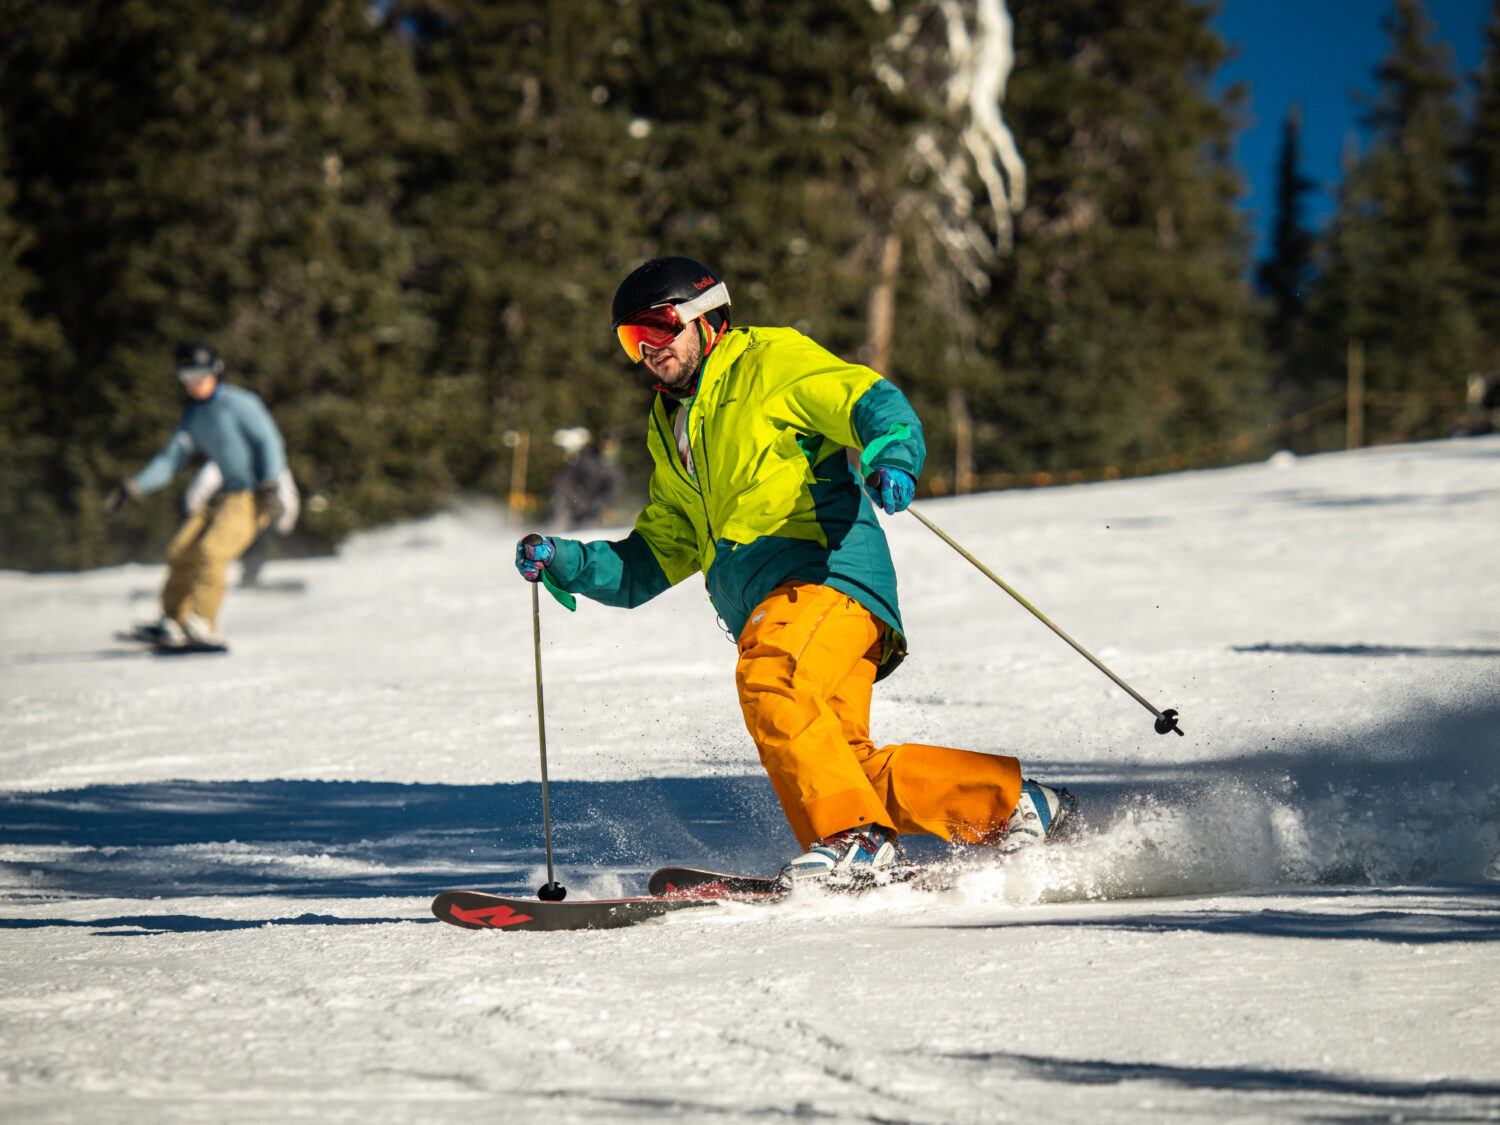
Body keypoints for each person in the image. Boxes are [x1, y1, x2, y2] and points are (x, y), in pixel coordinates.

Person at [514, 256, 1075, 887]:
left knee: (771, 675)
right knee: (844, 765)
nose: (648, 349)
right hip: (783, 606)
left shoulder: (767, 361)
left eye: (658, 326)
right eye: (631, 338)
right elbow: (656, 555)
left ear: (705, 318)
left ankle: (853, 841)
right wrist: (569, 560)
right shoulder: (670, 425)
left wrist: (892, 451)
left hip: (823, 578)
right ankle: (1011, 805)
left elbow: (866, 399)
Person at [106, 341, 288, 646]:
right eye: (187, 375)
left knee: (213, 552)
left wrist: (270, 484)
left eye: (201, 373)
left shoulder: (241, 403)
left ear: (215, 370)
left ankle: (203, 623)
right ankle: (173, 621)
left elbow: (269, 442)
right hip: (225, 493)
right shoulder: (195, 415)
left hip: (252, 496)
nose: (195, 382)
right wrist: (133, 487)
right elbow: (171, 460)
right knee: (180, 551)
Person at [184, 460, 300, 586]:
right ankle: (203, 576)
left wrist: (285, 521)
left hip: (254, 515)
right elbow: (205, 482)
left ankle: (250, 574)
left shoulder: (270, 461)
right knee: (213, 547)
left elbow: (286, 493)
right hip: (227, 513)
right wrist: (195, 508)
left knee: (255, 539)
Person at [548, 428, 624, 530]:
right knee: (557, 526)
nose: (606, 447)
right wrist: (563, 497)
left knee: (584, 531)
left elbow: (614, 491)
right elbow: (565, 479)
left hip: (591, 511)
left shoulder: (615, 469)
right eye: (603, 444)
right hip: (571, 504)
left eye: (609, 445)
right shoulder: (585, 460)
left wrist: (598, 504)